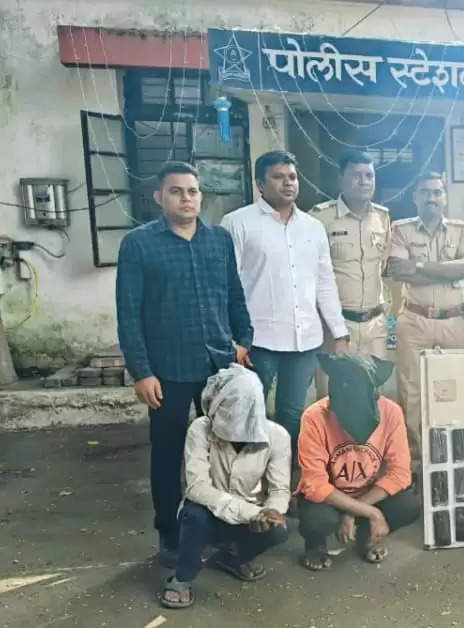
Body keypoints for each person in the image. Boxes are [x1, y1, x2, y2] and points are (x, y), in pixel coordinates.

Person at [116, 161, 253, 567]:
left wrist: (244, 341)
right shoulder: (139, 244)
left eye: (192, 191)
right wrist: (141, 371)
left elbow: (234, 295)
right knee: (169, 454)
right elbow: (129, 312)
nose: (186, 198)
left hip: (218, 365)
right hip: (167, 370)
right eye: (176, 191)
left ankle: (225, 531)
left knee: (226, 452)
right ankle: (171, 536)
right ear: (160, 197)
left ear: (201, 196)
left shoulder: (219, 240)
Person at [221, 151, 349, 463]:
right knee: (250, 414)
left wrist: (339, 332)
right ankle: (247, 482)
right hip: (256, 340)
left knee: (293, 416)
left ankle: (283, 483)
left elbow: (324, 282)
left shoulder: (313, 227)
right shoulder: (237, 223)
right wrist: (233, 338)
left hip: (304, 339)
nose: (288, 183)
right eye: (279, 177)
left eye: (292, 177)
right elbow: (225, 285)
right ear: (260, 184)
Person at [159, 365, 291, 609]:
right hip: (208, 514)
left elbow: (279, 490)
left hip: (249, 518)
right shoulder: (200, 429)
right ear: (216, 405)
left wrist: (272, 513)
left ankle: (233, 558)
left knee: (279, 530)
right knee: (194, 514)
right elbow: (197, 488)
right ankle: (182, 578)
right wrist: (252, 512)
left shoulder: (278, 436)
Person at [386, 172, 464, 464]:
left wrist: (421, 267)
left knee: (454, 388)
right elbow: (398, 270)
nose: (432, 198)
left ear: (445, 197)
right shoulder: (401, 230)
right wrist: (446, 269)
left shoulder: (462, 230)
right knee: (412, 392)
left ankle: (452, 455)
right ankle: (416, 459)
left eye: (437, 192)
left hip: (453, 321)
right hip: (414, 321)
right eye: (425, 192)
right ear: (415, 197)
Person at [297, 354, 420, 570]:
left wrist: (353, 511)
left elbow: (400, 474)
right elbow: (314, 484)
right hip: (329, 498)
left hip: (368, 492)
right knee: (317, 519)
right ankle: (315, 545)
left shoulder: (391, 412)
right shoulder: (314, 416)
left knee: (408, 506)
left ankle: (366, 536)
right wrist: (372, 512)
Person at [310, 151, 394, 398]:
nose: (364, 181)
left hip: (375, 324)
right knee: (331, 396)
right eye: (356, 175)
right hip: (337, 325)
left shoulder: (383, 217)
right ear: (340, 179)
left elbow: (385, 266)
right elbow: (311, 275)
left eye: (369, 175)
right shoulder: (320, 217)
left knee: (372, 396)